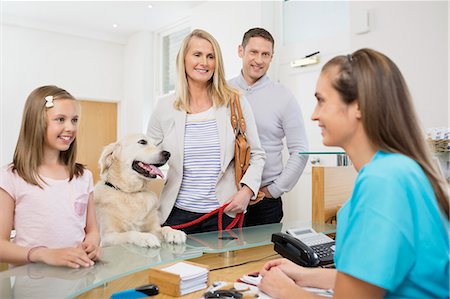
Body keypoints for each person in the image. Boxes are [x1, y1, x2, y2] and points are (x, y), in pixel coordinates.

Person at [258, 48, 449, 298]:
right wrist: (304, 275)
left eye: (322, 100)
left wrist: (285, 291)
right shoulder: (396, 169)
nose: (315, 114)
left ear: (358, 105)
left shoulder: (383, 181)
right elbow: (370, 280)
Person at [147, 29, 265, 234]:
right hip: (177, 215)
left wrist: (247, 192)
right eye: (197, 55)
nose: (204, 62)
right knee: (178, 267)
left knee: (226, 268)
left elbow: (257, 154)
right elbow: (148, 156)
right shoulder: (164, 107)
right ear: (183, 59)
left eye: (211, 56)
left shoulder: (235, 101)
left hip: (224, 213)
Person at [0, 85, 101, 269]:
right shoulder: (11, 177)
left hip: (78, 282)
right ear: (36, 122)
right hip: (32, 289)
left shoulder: (83, 176)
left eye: (75, 120)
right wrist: (41, 254)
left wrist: (93, 243)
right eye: (60, 119)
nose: (70, 127)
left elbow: (92, 229)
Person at [228, 28, 308, 226]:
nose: (259, 60)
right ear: (241, 51)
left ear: (272, 57)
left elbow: (301, 151)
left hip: (264, 203)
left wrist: (274, 190)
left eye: (265, 54)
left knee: (265, 257)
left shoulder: (284, 97)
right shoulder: (222, 91)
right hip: (226, 197)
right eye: (253, 52)